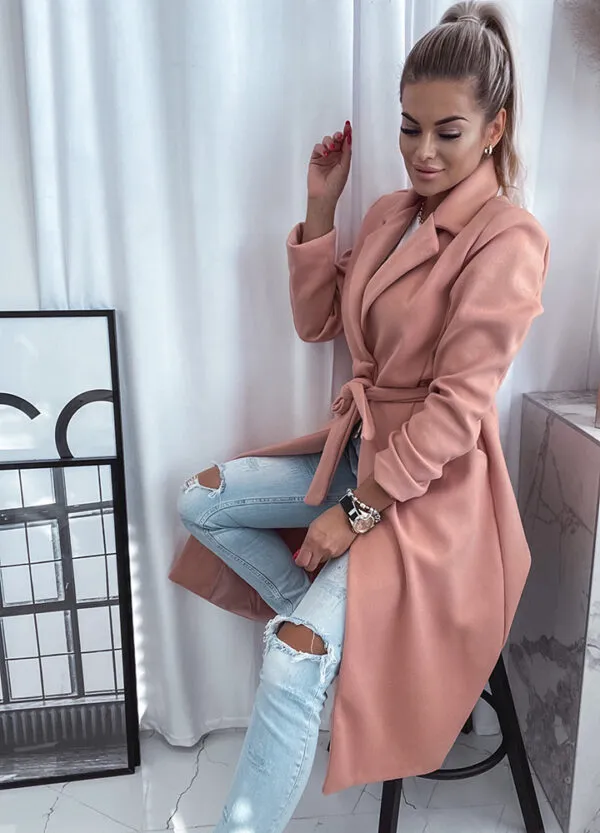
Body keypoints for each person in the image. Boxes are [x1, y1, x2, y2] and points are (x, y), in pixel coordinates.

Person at [171, 1, 550, 830]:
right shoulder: (387, 213)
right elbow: (318, 324)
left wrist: (354, 513)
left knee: (292, 657)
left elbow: (456, 410)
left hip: (432, 496)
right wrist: (321, 205)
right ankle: (345, 632)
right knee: (201, 500)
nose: (422, 151)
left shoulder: (508, 239)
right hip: (357, 453)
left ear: (493, 130)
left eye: (448, 132)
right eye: (410, 128)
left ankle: (317, 652)